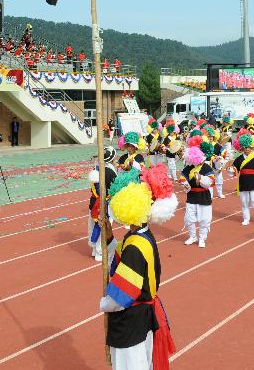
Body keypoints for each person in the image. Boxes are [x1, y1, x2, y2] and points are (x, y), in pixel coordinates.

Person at [98, 166, 177, 368]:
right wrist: (108, 238)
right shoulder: (140, 236)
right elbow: (122, 260)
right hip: (142, 317)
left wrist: (104, 304)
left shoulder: (135, 245)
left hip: (131, 320)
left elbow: (123, 295)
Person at [180, 139, 214, 247]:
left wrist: (201, 178)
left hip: (204, 196)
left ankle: (202, 238)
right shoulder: (187, 168)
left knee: (204, 219)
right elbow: (182, 179)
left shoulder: (206, 167)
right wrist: (185, 184)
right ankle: (192, 236)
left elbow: (210, 182)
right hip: (191, 196)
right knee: (189, 218)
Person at [88, 146, 117, 261]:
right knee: (103, 227)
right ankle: (100, 252)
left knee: (93, 226)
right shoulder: (110, 171)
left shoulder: (97, 168)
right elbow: (115, 188)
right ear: (112, 159)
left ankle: (94, 249)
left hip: (93, 202)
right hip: (104, 204)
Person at [231, 133, 254, 226]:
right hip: (243, 183)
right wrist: (230, 170)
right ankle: (246, 218)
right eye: (245, 147)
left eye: (249, 147)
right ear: (242, 148)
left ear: (252, 147)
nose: (247, 149)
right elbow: (233, 171)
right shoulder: (238, 159)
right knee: (244, 202)